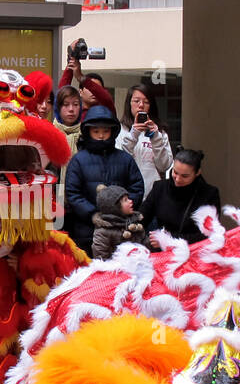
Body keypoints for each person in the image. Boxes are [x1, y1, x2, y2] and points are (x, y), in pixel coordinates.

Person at [64, 105, 144, 253]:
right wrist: (93, 214)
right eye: (96, 131)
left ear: (112, 132)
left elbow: (137, 187)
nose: (101, 135)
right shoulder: (78, 160)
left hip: (123, 230)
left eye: (105, 131)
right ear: (88, 132)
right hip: (87, 231)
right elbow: (73, 193)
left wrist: (122, 210)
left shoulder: (125, 159)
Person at [141, 148, 221, 244]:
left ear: (197, 173)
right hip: (163, 252)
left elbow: (208, 235)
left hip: (194, 252)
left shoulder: (209, 194)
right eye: (175, 172)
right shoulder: (160, 188)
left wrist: (169, 240)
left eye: (185, 176)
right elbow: (142, 217)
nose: (178, 179)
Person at [116, 80, 174, 199]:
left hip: (153, 195)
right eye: (136, 101)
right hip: (126, 196)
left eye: (146, 102)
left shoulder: (160, 132)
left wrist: (156, 138)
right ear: (129, 103)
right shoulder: (119, 130)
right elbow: (119, 163)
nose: (141, 105)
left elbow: (164, 166)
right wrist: (134, 135)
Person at [92, 185, 154, 259]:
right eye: (125, 200)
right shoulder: (103, 232)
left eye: (128, 198)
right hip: (117, 269)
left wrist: (154, 242)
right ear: (114, 207)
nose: (130, 201)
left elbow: (146, 245)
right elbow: (101, 258)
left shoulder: (134, 223)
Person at [54, 85, 83, 155]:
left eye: (75, 104)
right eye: (66, 104)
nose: (71, 109)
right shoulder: (50, 134)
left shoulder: (86, 135)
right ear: (58, 108)